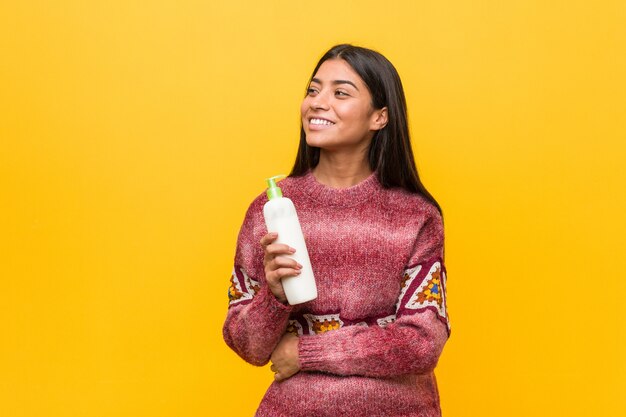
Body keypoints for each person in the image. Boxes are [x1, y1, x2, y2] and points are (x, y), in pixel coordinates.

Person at [223, 44, 450, 417]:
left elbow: (422, 343)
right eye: (313, 90)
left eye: (340, 93)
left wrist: (305, 352)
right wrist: (274, 298)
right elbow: (247, 344)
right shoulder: (270, 210)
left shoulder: (415, 216)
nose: (317, 102)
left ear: (380, 117)